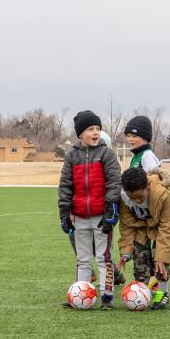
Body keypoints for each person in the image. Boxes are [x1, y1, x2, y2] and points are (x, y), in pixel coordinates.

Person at [58, 110, 121, 309]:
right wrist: (64, 212)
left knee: (104, 258)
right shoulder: (71, 156)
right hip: (81, 217)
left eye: (98, 129)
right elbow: (65, 185)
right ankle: (81, 294)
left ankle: (107, 296)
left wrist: (111, 209)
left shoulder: (107, 154)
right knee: (83, 259)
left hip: (101, 216)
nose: (95, 133)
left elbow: (114, 182)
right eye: (90, 129)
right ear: (80, 134)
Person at [118, 167, 170, 310]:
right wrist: (126, 251)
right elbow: (126, 225)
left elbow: (166, 228)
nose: (137, 201)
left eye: (141, 197)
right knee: (140, 260)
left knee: (160, 260)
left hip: (160, 225)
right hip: (140, 226)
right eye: (133, 198)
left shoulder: (161, 194)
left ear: (148, 186)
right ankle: (143, 294)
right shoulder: (123, 197)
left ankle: (162, 293)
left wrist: (161, 257)